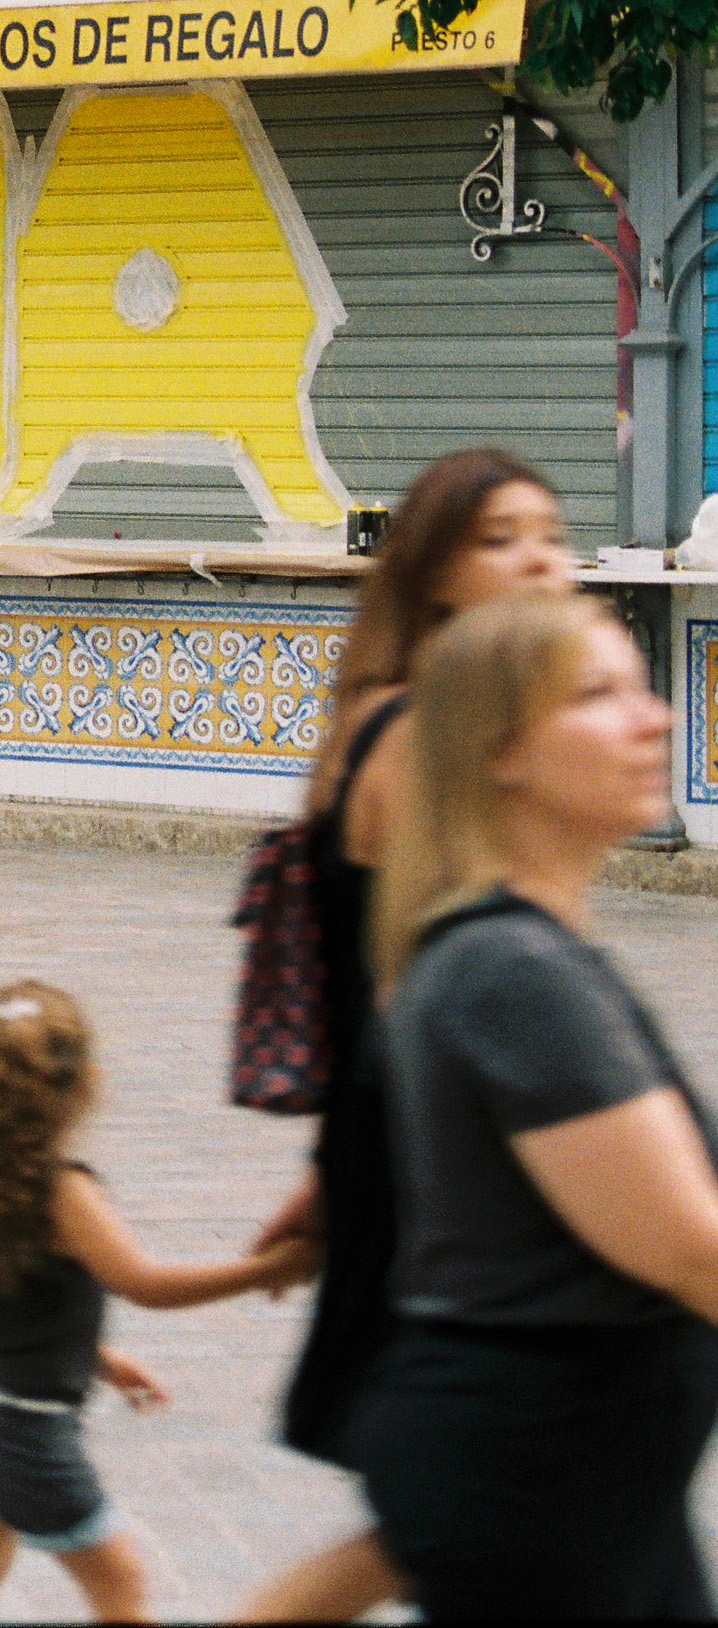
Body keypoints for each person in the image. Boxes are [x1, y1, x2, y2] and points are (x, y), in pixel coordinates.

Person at [233, 450, 574, 1623]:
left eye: (548, 532)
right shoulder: (422, 734)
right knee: (464, 1506)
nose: (540, 560)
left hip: (394, 1151)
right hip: (437, 1172)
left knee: (453, 1514)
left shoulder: (385, 715)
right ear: (432, 577)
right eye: (499, 540)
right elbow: (430, 990)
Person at [349, 591, 718, 1618]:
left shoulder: (520, 950)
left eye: (642, 691)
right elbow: (691, 1250)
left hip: (585, 1496)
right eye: (600, 695)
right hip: (544, 1506)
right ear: (499, 749)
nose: (654, 719)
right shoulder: (510, 971)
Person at [0, 980, 317, 1625]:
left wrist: (98, 1357)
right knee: (121, 1585)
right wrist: (264, 1269)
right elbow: (144, 1283)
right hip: (23, 1426)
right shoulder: (64, 1189)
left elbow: (21, 1303)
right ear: (87, 1083)